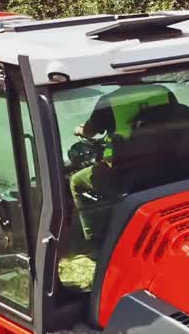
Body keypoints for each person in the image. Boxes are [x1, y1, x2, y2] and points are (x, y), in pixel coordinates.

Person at [68, 83, 179, 242]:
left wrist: (79, 130)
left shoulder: (109, 101)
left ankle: (92, 240)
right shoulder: (163, 91)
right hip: (169, 163)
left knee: (76, 181)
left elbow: (89, 131)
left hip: (127, 172)